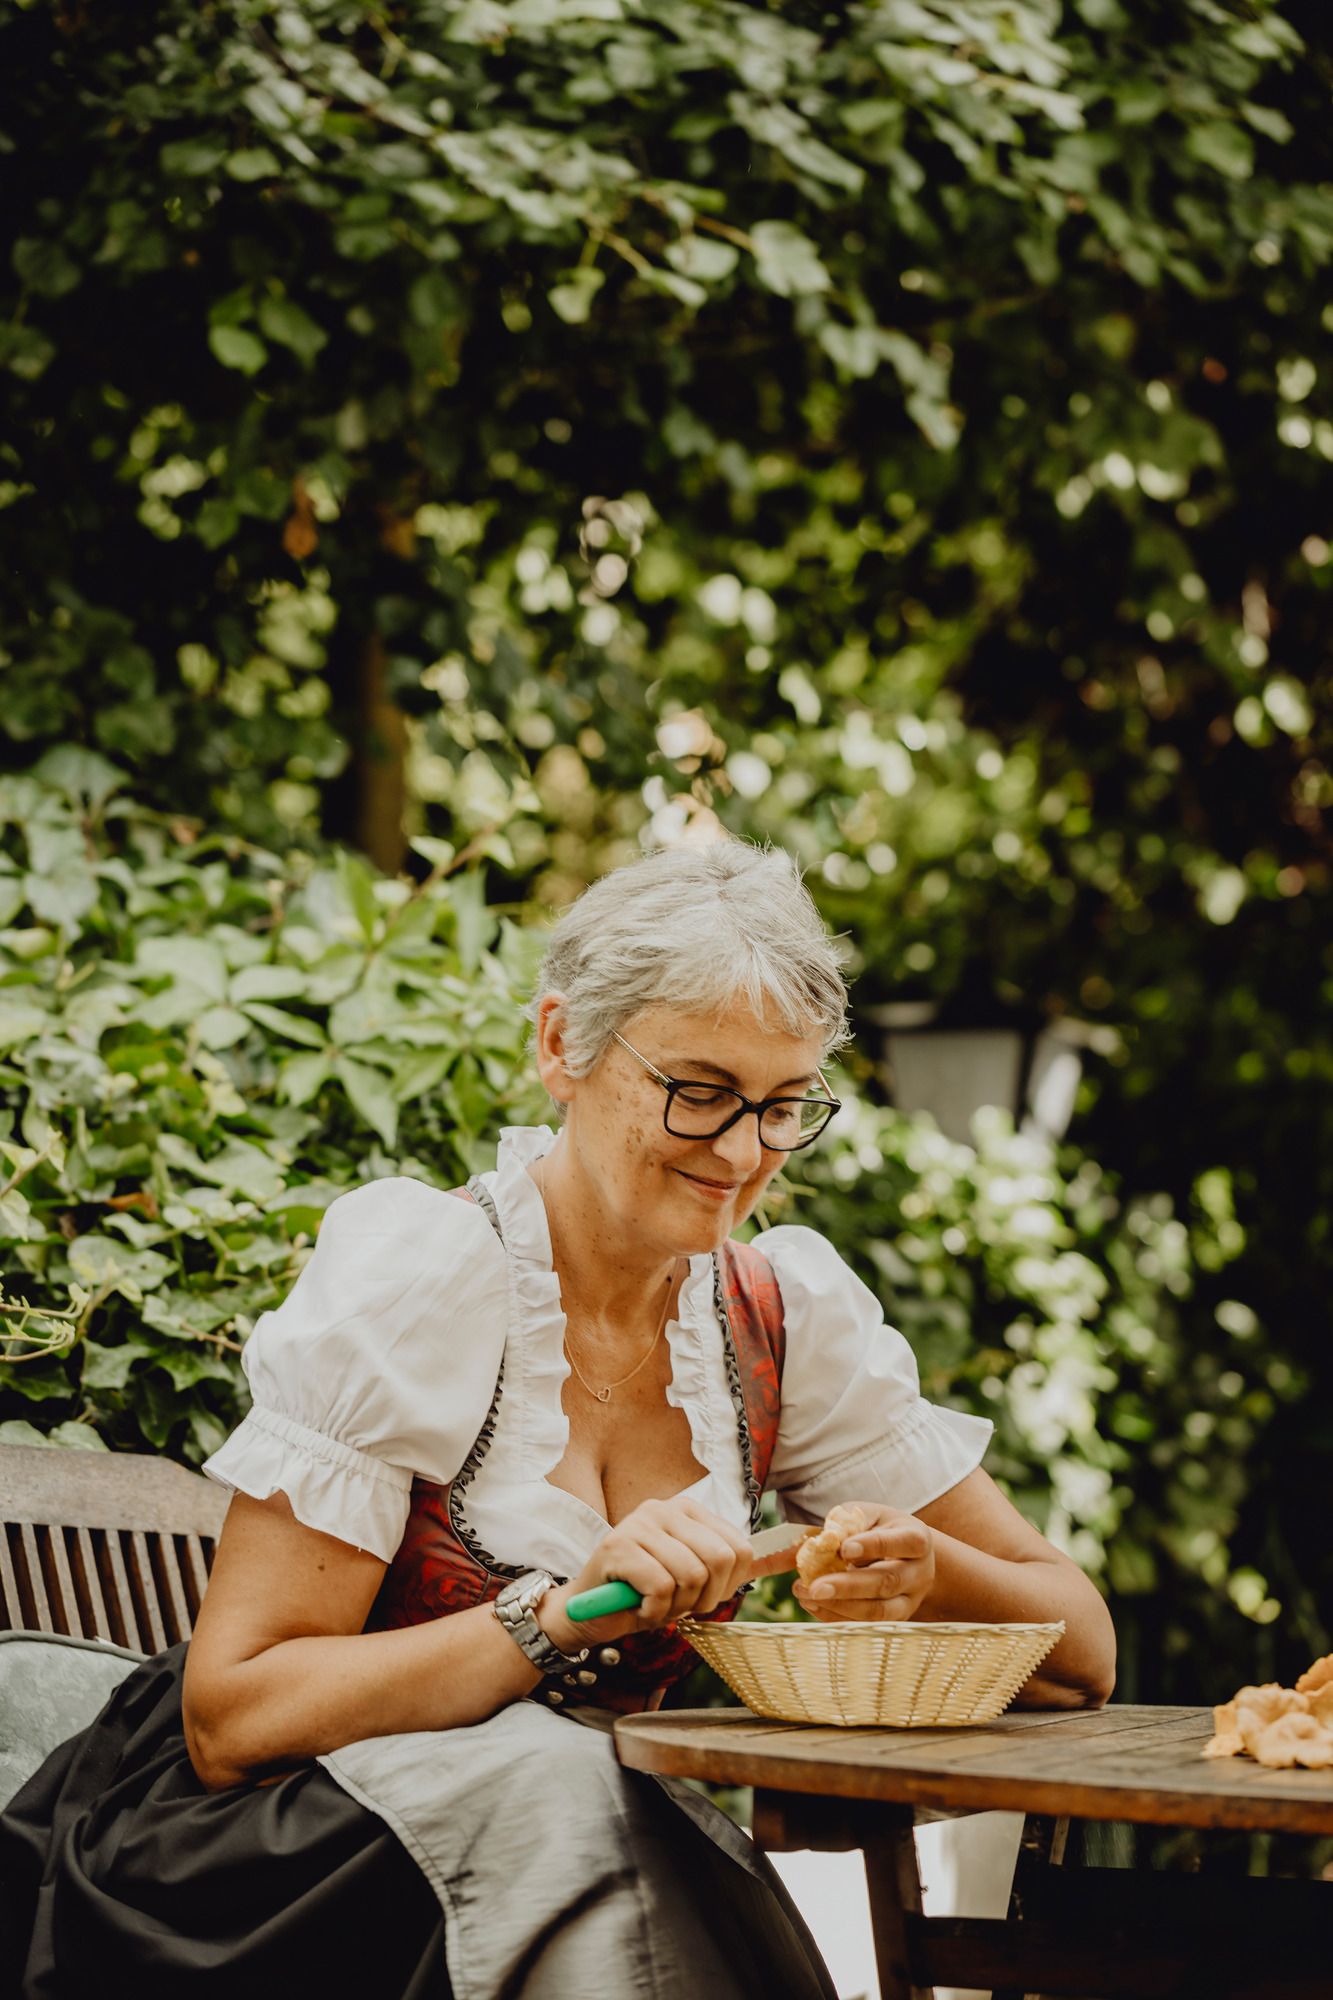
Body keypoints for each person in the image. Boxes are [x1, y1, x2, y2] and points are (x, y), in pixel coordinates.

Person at [2, 838, 1115, 1999]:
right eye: (697, 1090)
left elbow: (1079, 1654)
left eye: (783, 1107)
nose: (740, 1153)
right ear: (559, 1047)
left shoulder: (780, 1317)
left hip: (561, 1868)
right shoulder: (426, 1275)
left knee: (591, 1803)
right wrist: (553, 1615)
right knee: (569, 1788)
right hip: (258, 1876)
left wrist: (924, 1564)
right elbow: (234, 1714)